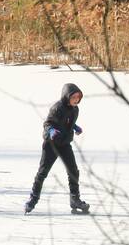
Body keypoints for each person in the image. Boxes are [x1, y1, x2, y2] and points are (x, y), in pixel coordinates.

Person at [25, 83, 90, 214]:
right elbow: (47, 123)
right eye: (74, 97)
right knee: (43, 172)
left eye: (78, 97)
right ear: (67, 96)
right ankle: (33, 199)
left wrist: (74, 127)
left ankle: (75, 199)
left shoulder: (75, 109)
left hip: (65, 144)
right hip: (51, 145)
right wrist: (51, 131)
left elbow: (67, 122)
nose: (76, 100)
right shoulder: (57, 108)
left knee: (73, 171)